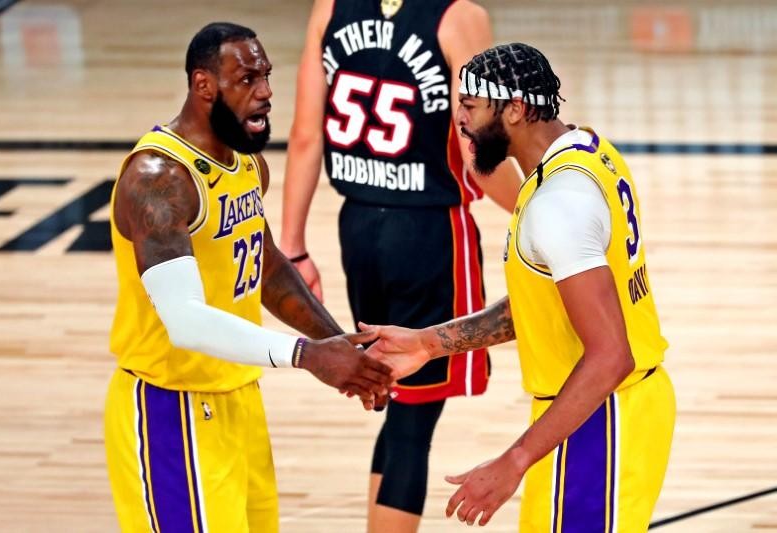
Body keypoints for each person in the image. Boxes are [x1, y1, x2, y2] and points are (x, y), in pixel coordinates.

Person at [364, 42, 676, 531]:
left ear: (515, 109)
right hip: (598, 410)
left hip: (602, 416)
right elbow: (546, 303)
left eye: (470, 106)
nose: (459, 120)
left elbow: (611, 355)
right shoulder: (584, 149)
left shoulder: (560, 203)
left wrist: (513, 461)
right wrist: (430, 342)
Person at [104, 22, 394, 533]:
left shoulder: (244, 165)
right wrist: (307, 355)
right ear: (204, 85)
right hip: (170, 408)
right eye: (247, 79)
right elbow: (186, 321)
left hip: (238, 398)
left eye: (266, 75)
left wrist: (341, 346)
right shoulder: (158, 179)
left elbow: (265, 266)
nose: (265, 92)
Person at [280, 1, 518, 531]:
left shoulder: (331, 7)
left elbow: (303, 135)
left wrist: (293, 246)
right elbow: (474, 143)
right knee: (414, 419)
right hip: (428, 231)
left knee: (397, 397)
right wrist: (532, 204)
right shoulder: (459, 16)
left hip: (358, 228)